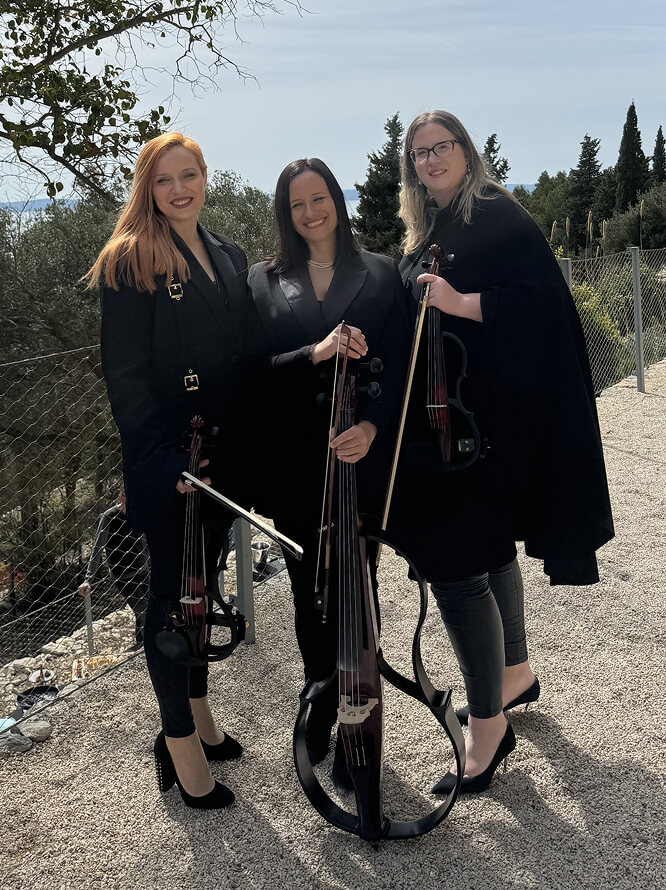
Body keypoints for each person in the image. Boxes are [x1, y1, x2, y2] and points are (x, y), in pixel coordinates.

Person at [387, 109, 614, 796]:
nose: (431, 160)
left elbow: (543, 306)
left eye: (442, 147)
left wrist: (461, 303)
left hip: (493, 417)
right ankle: (514, 674)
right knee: (488, 550)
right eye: (419, 153)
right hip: (455, 414)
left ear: (464, 151)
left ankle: (491, 724)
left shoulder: (495, 213)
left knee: (474, 554)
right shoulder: (433, 223)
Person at [87, 131, 260, 811]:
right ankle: (181, 748)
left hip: (217, 459)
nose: (180, 189)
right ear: (146, 189)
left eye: (189, 175)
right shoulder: (128, 259)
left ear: (205, 179)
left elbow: (244, 353)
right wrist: (160, 462)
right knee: (170, 602)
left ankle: (201, 719)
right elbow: (125, 378)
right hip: (169, 462)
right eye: (165, 180)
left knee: (200, 588)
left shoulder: (226, 253)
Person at [248, 158, 410, 770]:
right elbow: (252, 373)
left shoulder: (380, 273)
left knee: (355, 584)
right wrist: (312, 353)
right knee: (304, 589)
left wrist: (372, 427)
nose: (310, 212)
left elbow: (401, 366)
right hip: (292, 465)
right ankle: (319, 700)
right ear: (285, 215)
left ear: (337, 202)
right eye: (297, 204)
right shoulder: (260, 282)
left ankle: (358, 714)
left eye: (319, 199)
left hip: (357, 460)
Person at [77, 490, 149, 646]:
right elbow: (97, 547)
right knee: (143, 609)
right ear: (121, 497)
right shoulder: (108, 517)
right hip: (122, 575)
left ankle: (141, 644)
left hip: (143, 570)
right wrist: (88, 579)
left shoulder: (138, 512)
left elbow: (145, 538)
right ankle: (149, 646)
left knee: (148, 608)